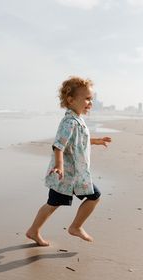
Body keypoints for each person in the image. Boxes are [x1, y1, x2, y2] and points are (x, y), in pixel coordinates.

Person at [26, 76, 111, 246]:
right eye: (87, 98)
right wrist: (59, 166)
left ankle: (74, 227)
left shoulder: (78, 120)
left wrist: (96, 140)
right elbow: (59, 145)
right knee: (53, 204)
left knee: (94, 196)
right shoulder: (69, 122)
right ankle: (36, 231)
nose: (90, 102)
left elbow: (79, 141)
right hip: (66, 176)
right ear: (71, 100)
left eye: (91, 99)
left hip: (78, 175)